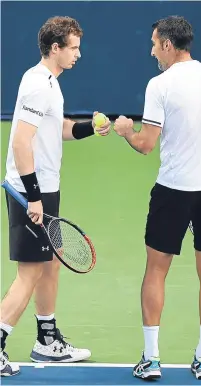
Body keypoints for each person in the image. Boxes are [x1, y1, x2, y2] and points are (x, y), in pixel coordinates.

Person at [113, 16, 201, 381]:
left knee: (156, 270)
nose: (152, 50)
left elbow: (145, 144)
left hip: (173, 190)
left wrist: (125, 130)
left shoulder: (160, 84)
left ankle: (152, 359)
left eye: (155, 44)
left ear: (169, 46)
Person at [0, 16, 111, 376]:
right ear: (55, 48)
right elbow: (20, 142)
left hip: (46, 190)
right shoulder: (39, 86)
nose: (79, 54)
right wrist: (33, 198)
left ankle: (46, 341)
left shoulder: (49, 83)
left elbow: (57, 129)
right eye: (74, 48)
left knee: (50, 263)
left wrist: (91, 129)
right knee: (30, 272)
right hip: (29, 192)